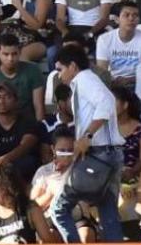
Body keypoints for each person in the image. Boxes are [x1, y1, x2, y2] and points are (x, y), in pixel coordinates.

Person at [50, 44, 122, 243]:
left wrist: (87, 136)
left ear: (72, 66)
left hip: (99, 154)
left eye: (60, 69)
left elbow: (107, 102)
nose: (59, 75)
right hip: (109, 154)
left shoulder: (85, 79)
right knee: (108, 214)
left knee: (58, 209)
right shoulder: (87, 80)